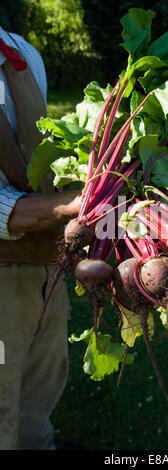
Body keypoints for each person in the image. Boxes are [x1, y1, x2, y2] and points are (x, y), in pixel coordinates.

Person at [0, 26, 82, 450]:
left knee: (41, 391)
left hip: (47, 263)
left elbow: (40, 154)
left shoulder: (21, 52)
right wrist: (68, 205)